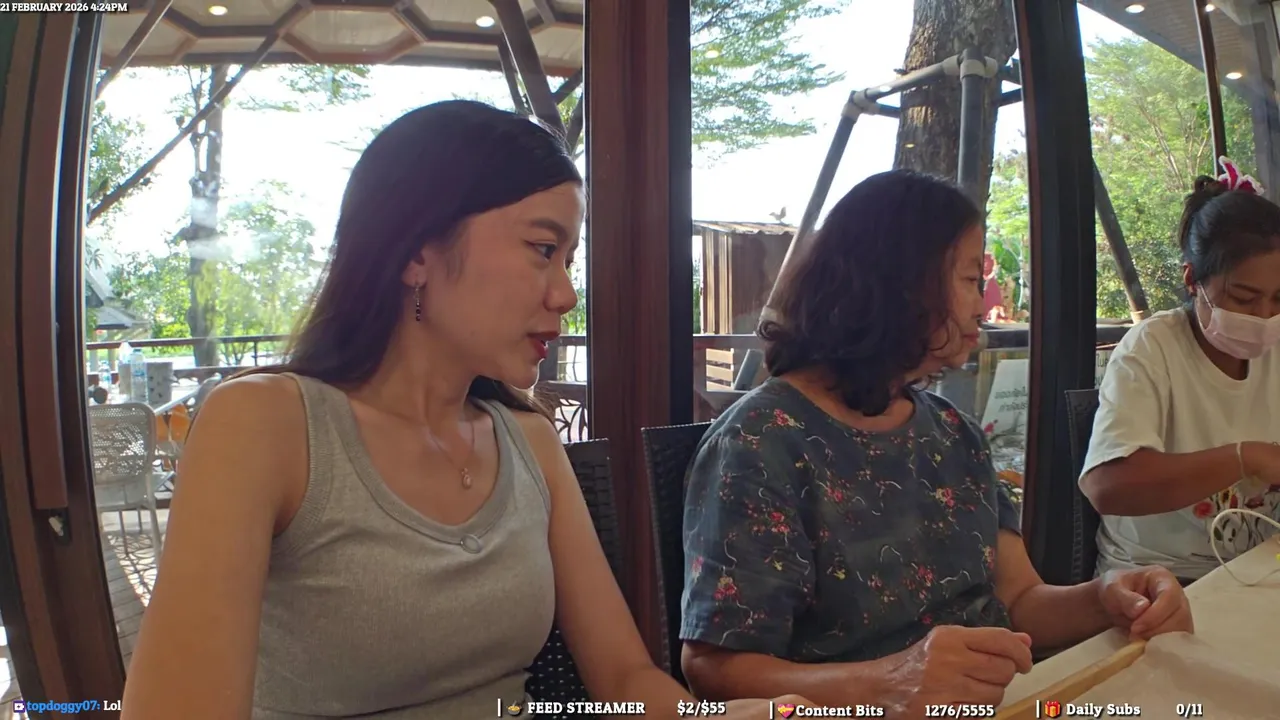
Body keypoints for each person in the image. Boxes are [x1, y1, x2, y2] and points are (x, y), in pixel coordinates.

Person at [121, 101, 803, 719]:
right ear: (417, 251)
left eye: (569, 259)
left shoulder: (529, 440)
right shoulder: (263, 426)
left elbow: (624, 678)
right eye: (543, 249)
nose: (567, 294)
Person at [677, 171, 1193, 718]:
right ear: (900, 282)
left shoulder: (953, 432)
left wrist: (1107, 596)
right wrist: (885, 684)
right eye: (971, 278)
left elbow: (1019, 601)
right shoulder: (762, 441)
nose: (983, 304)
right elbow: (712, 668)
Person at [1081, 158, 1280, 582]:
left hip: (1258, 566)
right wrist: (1245, 457)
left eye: (1279, 299)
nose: (1264, 316)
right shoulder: (1152, 349)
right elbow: (1107, 487)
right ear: (1193, 280)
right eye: (1244, 299)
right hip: (1159, 579)